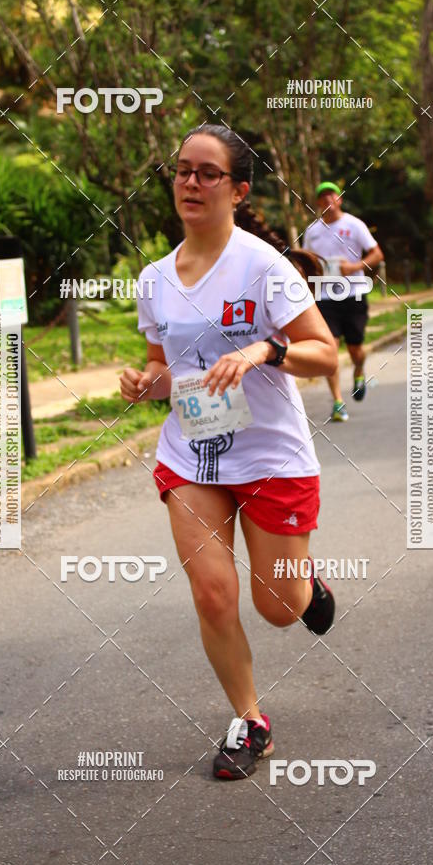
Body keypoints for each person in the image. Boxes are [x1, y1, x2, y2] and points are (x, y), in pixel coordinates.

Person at [120, 125, 337, 781]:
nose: (190, 182)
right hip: (192, 451)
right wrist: (142, 383)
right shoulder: (154, 280)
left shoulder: (265, 267)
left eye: (207, 173)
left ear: (238, 190)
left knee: (277, 607)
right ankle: (250, 721)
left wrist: (265, 350)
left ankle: (305, 588)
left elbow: (322, 352)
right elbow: (165, 369)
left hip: (271, 454)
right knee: (215, 595)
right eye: (183, 170)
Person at [302, 182, 384, 422]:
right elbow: (308, 261)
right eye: (322, 197)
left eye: (331, 195)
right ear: (318, 203)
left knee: (356, 349)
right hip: (326, 297)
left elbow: (377, 253)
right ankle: (338, 402)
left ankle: (359, 372)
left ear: (339, 200)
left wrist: (355, 267)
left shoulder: (354, 225)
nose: (327, 200)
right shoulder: (312, 231)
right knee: (330, 348)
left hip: (354, 293)